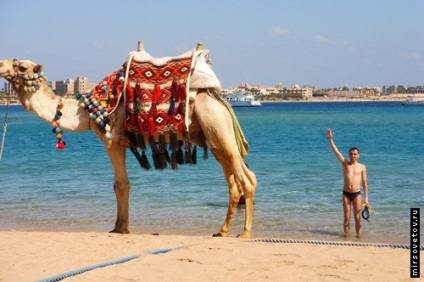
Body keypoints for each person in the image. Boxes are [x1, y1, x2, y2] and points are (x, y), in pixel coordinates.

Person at [326, 128, 369, 238]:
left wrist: (366, 198)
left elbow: (364, 182)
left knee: (357, 217)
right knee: (346, 217)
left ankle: (358, 237)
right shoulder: (345, 164)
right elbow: (336, 152)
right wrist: (330, 139)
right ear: (349, 155)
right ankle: (346, 237)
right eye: (351, 154)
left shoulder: (362, 167)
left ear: (358, 155)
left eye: (355, 154)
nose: (353, 156)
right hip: (346, 193)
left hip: (357, 194)